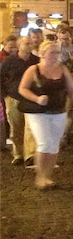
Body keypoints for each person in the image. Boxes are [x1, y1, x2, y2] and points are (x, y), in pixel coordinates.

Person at [17, 40, 73, 189]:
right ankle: (40, 176)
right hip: (38, 112)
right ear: (43, 54)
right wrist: (37, 98)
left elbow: (72, 89)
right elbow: (22, 89)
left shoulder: (62, 69)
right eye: (52, 52)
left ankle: (48, 175)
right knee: (44, 142)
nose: (55, 56)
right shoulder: (34, 70)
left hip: (58, 110)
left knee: (54, 144)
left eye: (57, 52)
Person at [1, 36, 39, 166]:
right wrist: (4, 95)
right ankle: (18, 154)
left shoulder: (36, 61)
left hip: (31, 98)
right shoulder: (9, 61)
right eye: (27, 43)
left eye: (31, 43)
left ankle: (29, 154)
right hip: (14, 97)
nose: (30, 45)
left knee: (30, 127)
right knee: (16, 127)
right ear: (19, 46)